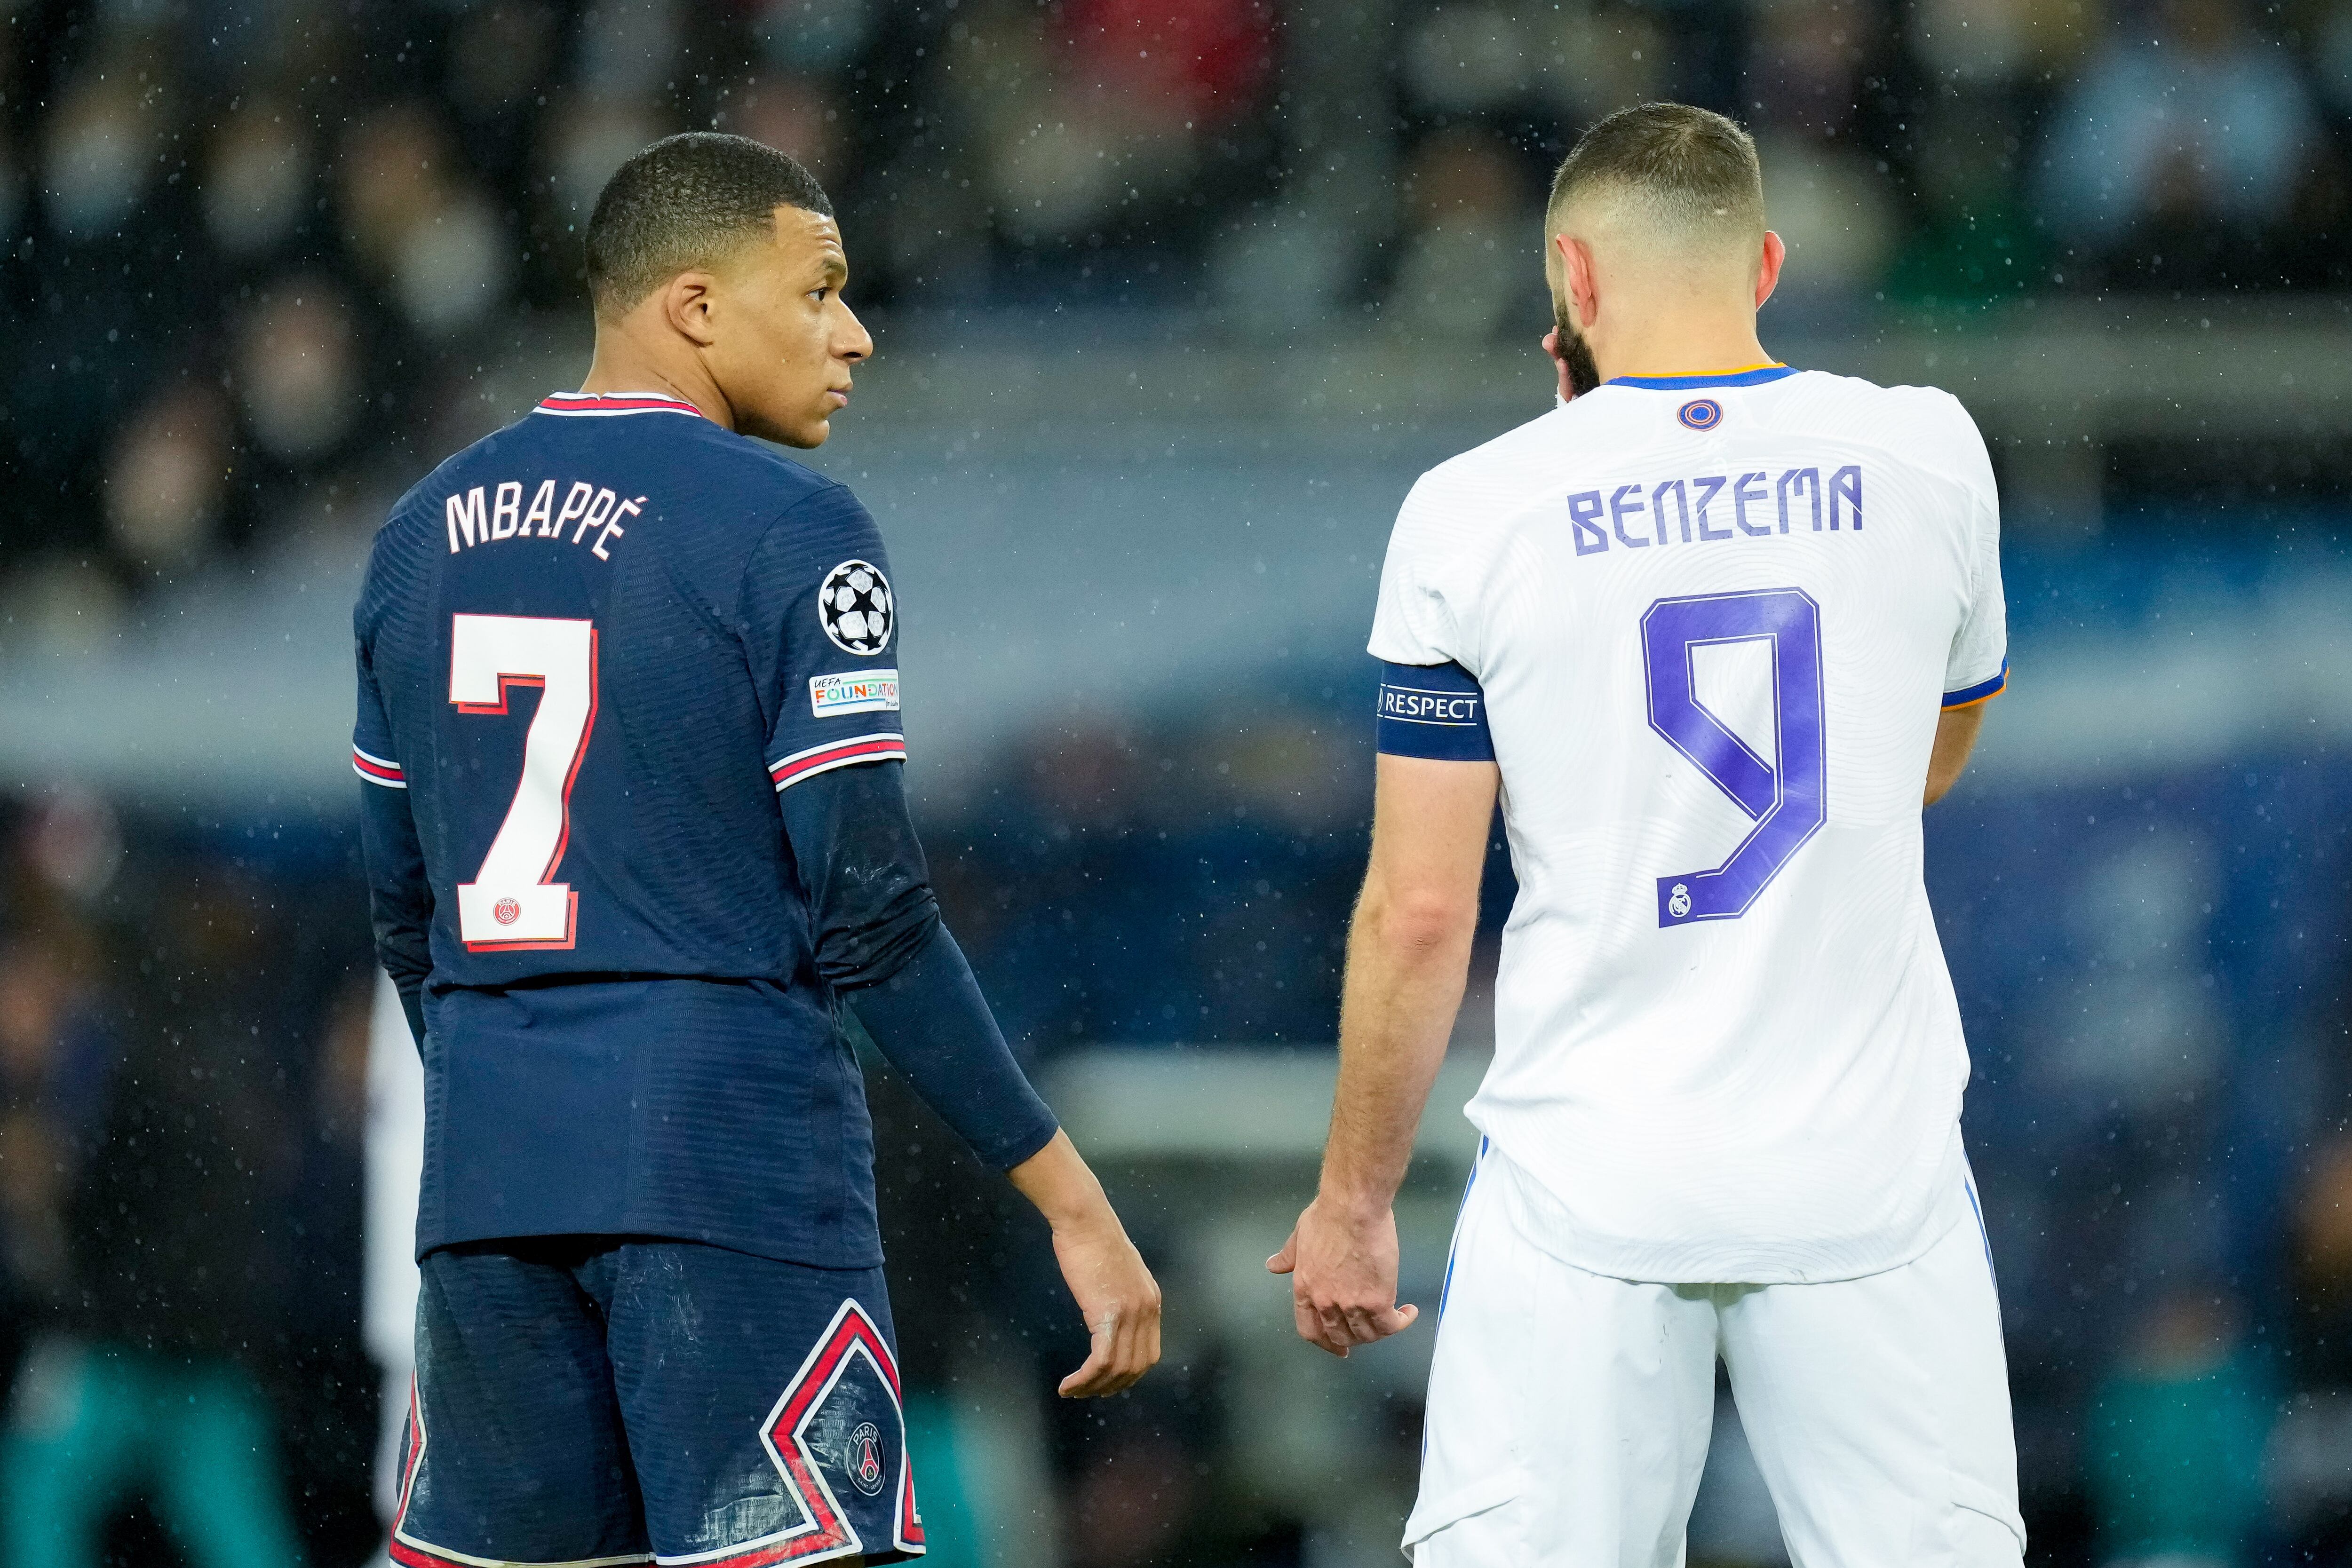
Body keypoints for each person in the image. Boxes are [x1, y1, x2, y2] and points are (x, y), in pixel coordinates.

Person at [352, 132, 1160, 1568]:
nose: (855, 333)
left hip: (487, 1189)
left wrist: (535, 1095)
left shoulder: (417, 538)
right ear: (698, 307)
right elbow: (876, 917)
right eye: (822, 291)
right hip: (727, 1173)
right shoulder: (793, 527)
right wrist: (1071, 1200)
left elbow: (408, 924)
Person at [1269, 103, 2018, 1565]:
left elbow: (1420, 911)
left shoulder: (1475, 509)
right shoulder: (1930, 450)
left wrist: (1355, 1199)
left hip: (1592, 1176)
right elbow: (1917, 761)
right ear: (1769, 265)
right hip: (1865, 1172)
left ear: (1572, 279)